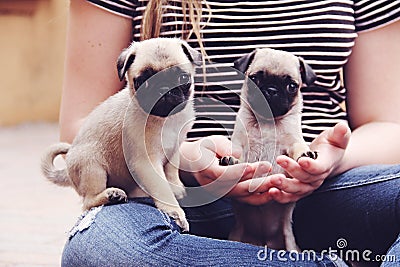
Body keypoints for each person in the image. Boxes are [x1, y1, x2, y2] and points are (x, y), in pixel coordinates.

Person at [59, 0, 400, 266]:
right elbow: (83, 130)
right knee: (105, 247)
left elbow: (390, 127)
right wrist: (185, 157)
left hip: (320, 192)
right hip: (171, 197)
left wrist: (326, 161)